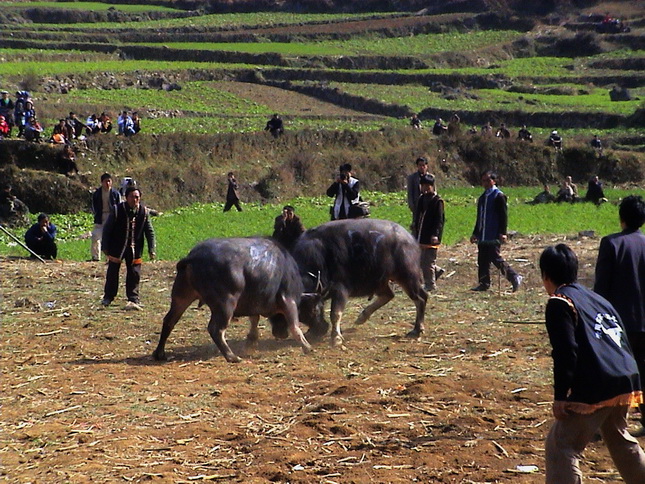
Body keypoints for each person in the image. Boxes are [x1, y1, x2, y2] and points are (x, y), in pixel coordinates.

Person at [540, 243, 645, 484]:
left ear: (545, 275)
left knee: (561, 446)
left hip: (599, 381)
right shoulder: (597, 299)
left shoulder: (560, 302)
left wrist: (561, 396)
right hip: (626, 376)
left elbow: (566, 351)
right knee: (619, 439)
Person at [595, 195, 645, 437]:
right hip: (644, 323)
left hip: (619, 323)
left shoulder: (611, 244)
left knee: (611, 372)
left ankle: (605, 424)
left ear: (621, 217)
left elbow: (601, 288)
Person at [101, 186, 156, 308]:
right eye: (132, 197)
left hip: (135, 248)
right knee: (112, 272)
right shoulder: (117, 210)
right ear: (126, 198)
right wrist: (105, 247)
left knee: (134, 273)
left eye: (137, 197)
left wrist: (151, 249)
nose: (134, 199)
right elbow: (107, 229)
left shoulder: (144, 212)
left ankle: (133, 297)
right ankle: (108, 297)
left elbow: (149, 231)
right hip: (117, 247)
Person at [470, 170, 522, 292]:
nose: (486, 183)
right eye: (483, 181)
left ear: (494, 181)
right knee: (482, 259)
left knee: (495, 257)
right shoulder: (482, 198)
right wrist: (475, 233)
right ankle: (484, 283)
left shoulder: (499, 196)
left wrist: (502, 232)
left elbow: (503, 216)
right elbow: (479, 217)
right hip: (483, 234)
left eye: (488, 180)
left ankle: (514, 276)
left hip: (493, 233)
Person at [413, 174, 445, 291]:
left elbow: (439, 221)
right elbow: (417, 216)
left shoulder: (437, 201)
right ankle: (437, 271)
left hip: (431, 236)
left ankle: (430, 285)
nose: (425, 188)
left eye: (428, 186)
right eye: (423, 186)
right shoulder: (421, 199)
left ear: (432, 186)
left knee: (429, 261)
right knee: (421, 260)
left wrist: (436, 235)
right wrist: (414, 228)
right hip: (421, 234)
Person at [91, 173, 121, 262]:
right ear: (102, 182)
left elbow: (119, 206)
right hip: (100, 216)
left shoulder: (115, 194)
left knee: (111, 237)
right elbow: (93, 205)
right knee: (96, 236)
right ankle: (96, 257)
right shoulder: (97, 194)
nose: (107, 183)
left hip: (112, 216)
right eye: (105, 181)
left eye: (109, 181)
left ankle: (111, 257)